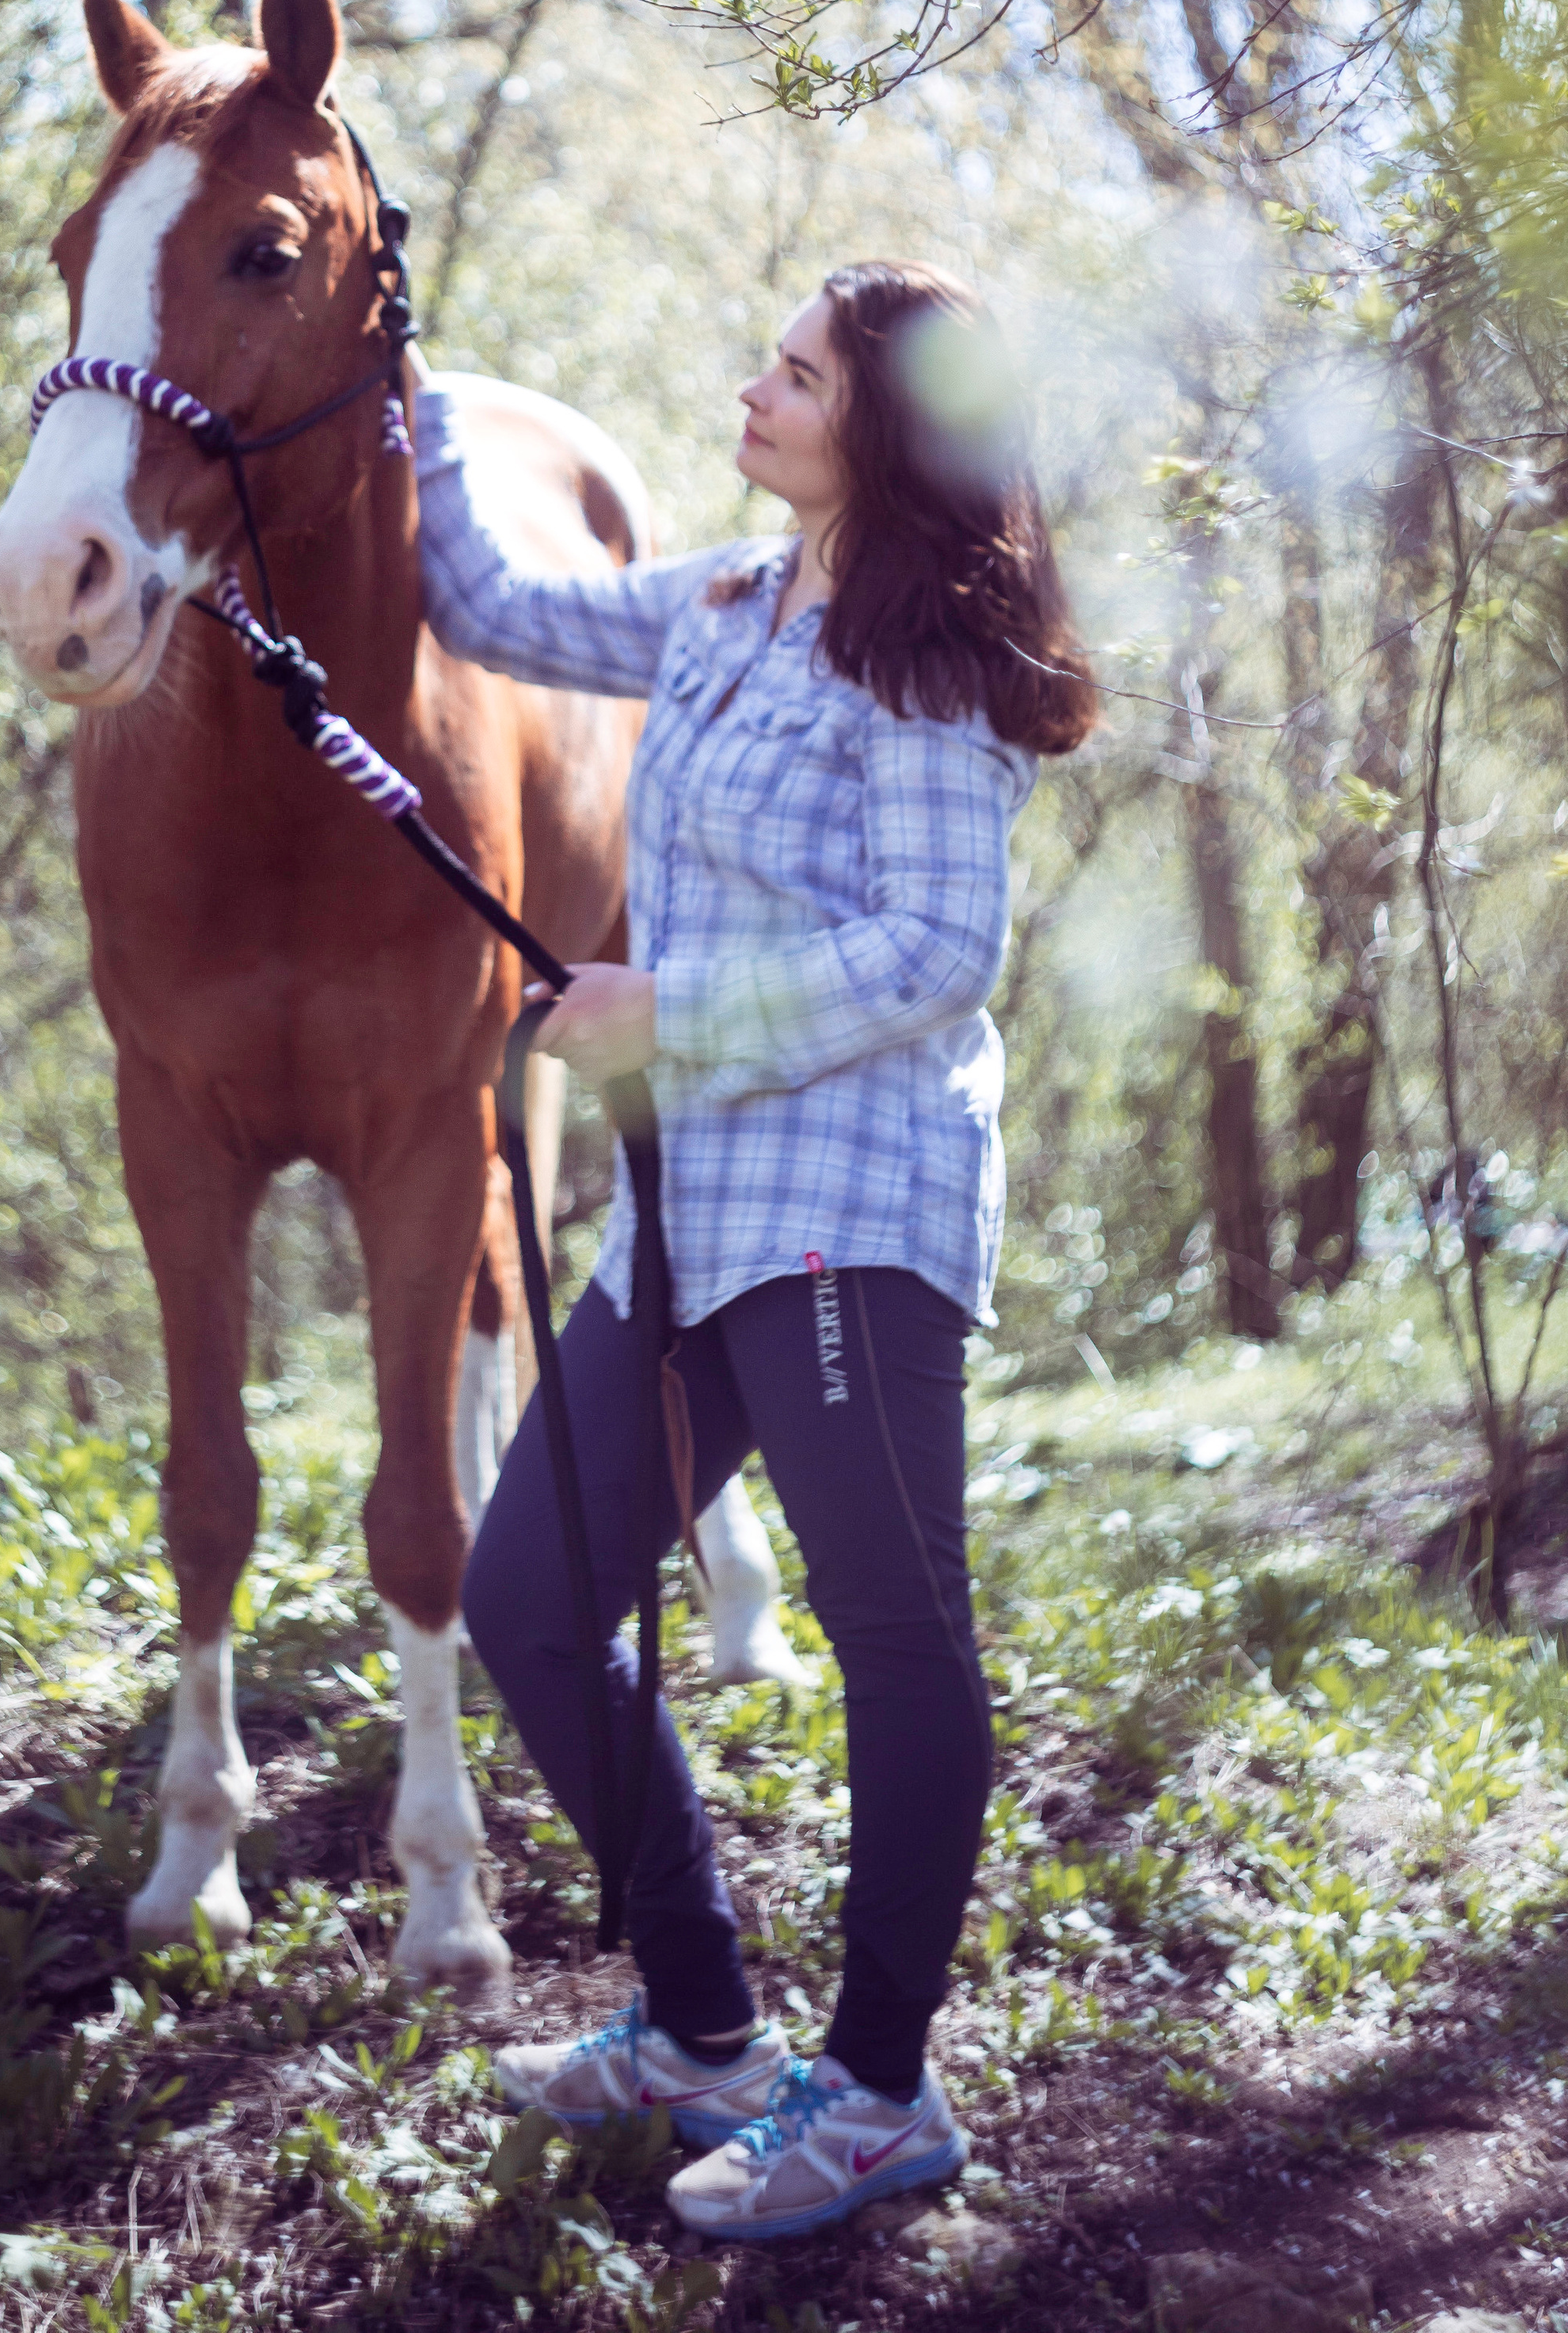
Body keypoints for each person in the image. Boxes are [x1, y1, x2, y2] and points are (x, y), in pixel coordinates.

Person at [414, 261, 1098, 2244]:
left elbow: (930, 955)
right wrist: (410, 391)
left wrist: (671, 1016)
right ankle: (703, 2026)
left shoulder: (929, 660)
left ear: (878, 424)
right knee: (529, 1593)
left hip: (845, 1218)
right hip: (685, 1216)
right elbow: (493, 607)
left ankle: (879, 2093)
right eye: (765, 362)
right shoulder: (722, 599)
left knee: (894, 1645)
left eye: (792, 376)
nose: (750, 390)